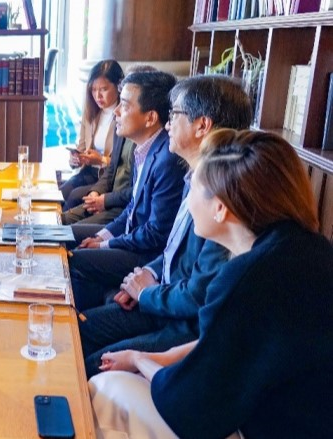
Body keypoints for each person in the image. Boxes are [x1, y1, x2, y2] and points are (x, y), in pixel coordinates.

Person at [89, 129, 333, 438]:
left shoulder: (246, 278)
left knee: (105, 386)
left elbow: (188, 405)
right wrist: (155, 359)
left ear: (220, 207)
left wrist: (139, 359)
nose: (188, 199)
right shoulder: (309, 248)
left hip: (264, 426)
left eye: (193, 187)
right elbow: (227, 341)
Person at [79, 75, 253, 377]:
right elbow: (173, 249)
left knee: (94, 360)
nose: (168, 124)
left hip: (180, 324)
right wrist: (146, 275)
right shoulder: (194, 178)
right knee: (81, 327)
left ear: (202, 125)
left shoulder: (223, 200)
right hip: (162, 298)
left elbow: (198, 295)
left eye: (174, 115)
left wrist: (147, 294)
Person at [69, 71, 187, 311]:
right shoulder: (143, 148)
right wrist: (103, 237)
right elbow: (132, 207)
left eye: (123, 105)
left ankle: (79, 322)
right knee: (66, 238)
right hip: (132, 238)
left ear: (150, 117)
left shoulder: (167, 158)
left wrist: (106, 246)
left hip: (146, 253)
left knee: (75, 260)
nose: (116, 112)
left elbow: (155, 233)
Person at [61, 64, 158, 226]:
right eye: (93, 90)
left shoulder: (143, 139)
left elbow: (135, 191)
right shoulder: (121, 126)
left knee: (70, 226)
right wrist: (96, 192)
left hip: (120, 207)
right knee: (60, 217)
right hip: (105, 190)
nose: (117, 111)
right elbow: (113, 169)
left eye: (103, 89)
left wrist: (105, 200)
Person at [59, 60, 123, 211]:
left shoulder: (122, 116)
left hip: (107, 177)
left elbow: (123, 164)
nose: (97, 95)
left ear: (118, 87)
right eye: (93, 90)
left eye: (103, 89)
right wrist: (76, 159)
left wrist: (100, 160)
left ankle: (62, 229)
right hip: (88, 172)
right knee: (61, 192)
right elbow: (81, 147)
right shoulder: (92, 112)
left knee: (75, 196)